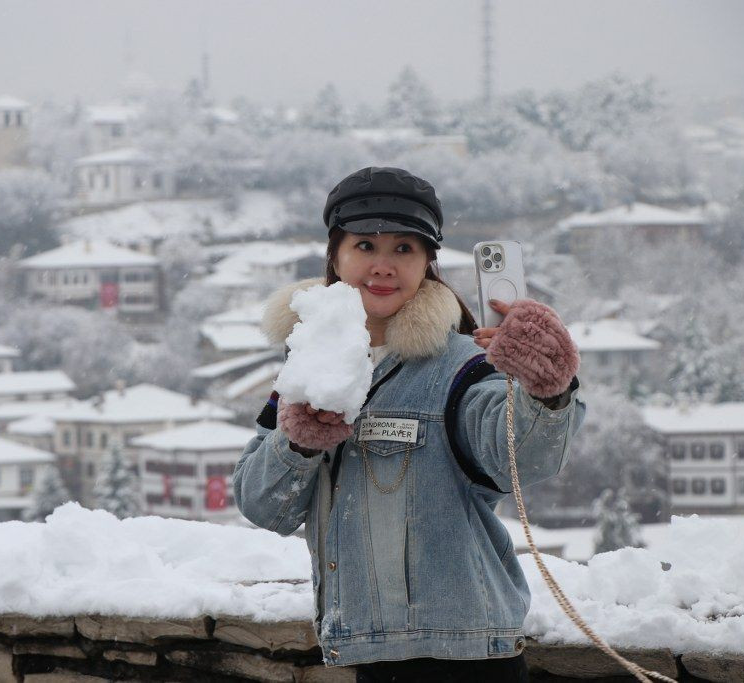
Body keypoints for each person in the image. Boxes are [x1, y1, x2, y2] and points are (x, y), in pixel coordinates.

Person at [233, 167, 586, 682]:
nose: (383, 266)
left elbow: (521, 461)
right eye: (365, 246)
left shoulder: (463, 364)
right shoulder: (307, 369)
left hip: (468, 658)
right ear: (335, 256)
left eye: (404, 249)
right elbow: (263, 506)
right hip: (369, 655)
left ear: (428, 264)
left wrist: (548, 392)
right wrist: (299, 446)